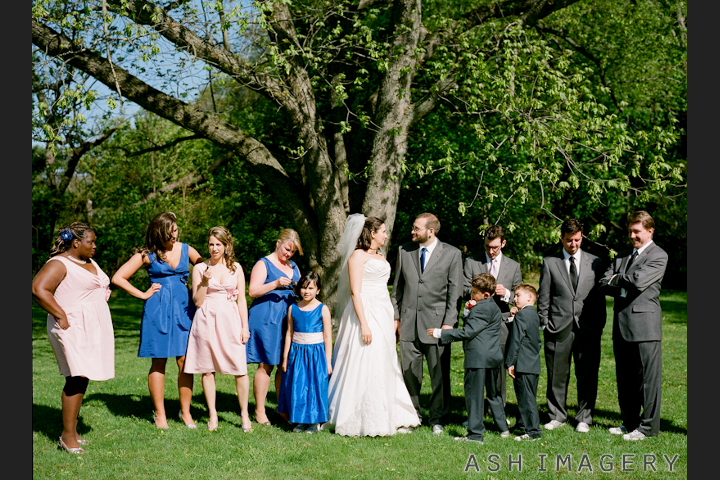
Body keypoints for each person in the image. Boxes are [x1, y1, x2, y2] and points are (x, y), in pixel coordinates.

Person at [327, 214, 420, 436]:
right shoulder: (357, 256)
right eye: (383, 232)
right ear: (372, 233)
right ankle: (356, 414)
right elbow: (355, 292)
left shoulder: (380, 256)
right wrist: (364, 324)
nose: (386, 236)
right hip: (365, 311)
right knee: (364, 357)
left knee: (383, 358)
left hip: (382, 310)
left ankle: (387, 411)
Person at [111, 212, 203, 429]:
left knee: (184, 361)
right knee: (158, 361)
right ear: (159, 233)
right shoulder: (147, 254)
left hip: (183, 310)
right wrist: (143, 294)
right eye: (169, 233)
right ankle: (160, 414)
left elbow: (207, 268)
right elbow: (118, 278)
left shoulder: (187, 249)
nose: (174, 235)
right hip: (157, 311)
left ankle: (185, 412)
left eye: (176, 230)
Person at [32, 223, 115, 453]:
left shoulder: (89, 261)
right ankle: (67, 437)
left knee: (82, 376)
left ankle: (73, 431)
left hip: (90, 327)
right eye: (91, 242)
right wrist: (60, 314)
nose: (94, 246)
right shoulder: (60, 263)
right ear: (76, 243)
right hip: (71, 326)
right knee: (76, 377)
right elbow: (38, 289)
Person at [391, 212, 463, 435]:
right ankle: (412, 416)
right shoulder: (404, 251)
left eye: (416, 228)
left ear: (430, 231)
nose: (412, 231)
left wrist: (449, 323)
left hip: (437, 325)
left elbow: (455, 293)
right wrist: (396, 318)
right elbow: (397, 290)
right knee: (409, 374)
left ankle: (437, 418)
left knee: (438, 375)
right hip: (408, 324)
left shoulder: (452, 254)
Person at [600, 210, 668, 441]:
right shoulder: (621, 256)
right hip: (621, 324)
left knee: (648, 381)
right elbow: (603, 283)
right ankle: (629, 422)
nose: (632, 236)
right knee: (625, 379)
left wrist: (617, 279)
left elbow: (638, 281)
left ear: (650, 231)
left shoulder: (658, 255)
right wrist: (620, 281)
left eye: (636, 231)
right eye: (630, 231)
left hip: (646, 327)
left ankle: (648, 428)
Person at [537, 218, 607, 433]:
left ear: (581, 237)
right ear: (561, 238)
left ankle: (584, 417)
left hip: (588, 327)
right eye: (569, 240)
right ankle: (556, 415)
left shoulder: (596, 262)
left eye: (577, 240)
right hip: (558, 327)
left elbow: (600, 298)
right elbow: (544, 296)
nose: (573, 244)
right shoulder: (550, 262)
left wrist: (599, 325)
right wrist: (544, 323)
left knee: (587, 374)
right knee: (556, 374)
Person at [183, 227, 252, 432]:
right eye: (211, 244)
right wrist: (205, 281)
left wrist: (245, 327)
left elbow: (242, 300)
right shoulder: (199, 268)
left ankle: (244, 414)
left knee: (240, 368)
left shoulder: (236, 268)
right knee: (207, 368)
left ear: (226, 246)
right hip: (206, 318)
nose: (214, 248)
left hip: (230, 319)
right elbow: (197, 301)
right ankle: (212, 414)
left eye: (218, 245)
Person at [427, 273, 510, 444]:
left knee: (474, 396)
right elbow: (479, 326)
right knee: (494, 395)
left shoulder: (480, 309)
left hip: (477, 358)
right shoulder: (493, 306)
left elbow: (468, 332)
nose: (471, 295)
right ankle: (503, 428)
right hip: (493, 357)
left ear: (485, 294)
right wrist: (468, 312)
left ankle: (475, 434)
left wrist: (440, 333)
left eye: (474, 293)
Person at [462, 224, 523, 410]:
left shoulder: (513, 266)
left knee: (498, 373)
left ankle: (497, 412)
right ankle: (474, 413)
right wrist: (480, 293)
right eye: (487, 247)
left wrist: (506, 294)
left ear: (503, 244)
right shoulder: (471, 262)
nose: (491, 251)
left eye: (495, 247)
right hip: (475, 325)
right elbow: (463, 289)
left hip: (502, 326)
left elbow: (520, 296)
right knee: (474, 371)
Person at [246, 229, 302, 425]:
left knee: (284, 364)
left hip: (289, 318)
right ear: (278, 243)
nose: (289, 254)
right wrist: (275, 283)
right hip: (267, 318)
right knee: (266, 364)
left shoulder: (293, 266)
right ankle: (259, 411)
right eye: (287, 249)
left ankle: (281, 408)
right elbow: (252, 291)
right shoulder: (264, 263)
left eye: (292, 252)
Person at [278, 271, 332, 434]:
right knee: (299, 385)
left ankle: (314, 421)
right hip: (298, 353)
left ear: (318, 290)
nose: (306, 291)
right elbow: (289, 334)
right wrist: (285, 357)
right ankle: (300, 420)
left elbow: (327, 336)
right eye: (303, 287)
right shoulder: (293, 308)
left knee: (315, 386)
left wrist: (328, 361)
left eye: (311, 288)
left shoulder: (323, 309)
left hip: (316, 354)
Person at [505, 284, 542, 441]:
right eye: (514, 295)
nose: (514, 299)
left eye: (518, 295)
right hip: (533, 362)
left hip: (522, 363)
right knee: (527, 395)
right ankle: (521, 424)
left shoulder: (522, 315)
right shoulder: (533, 314)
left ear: (529, 297)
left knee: (526, 399)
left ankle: (533, 431)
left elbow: (516, 340)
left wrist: (510, 362)